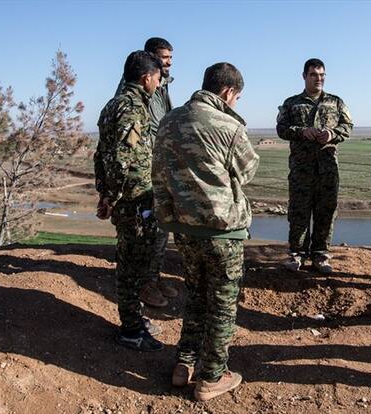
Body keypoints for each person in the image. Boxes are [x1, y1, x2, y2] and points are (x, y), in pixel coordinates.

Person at [152, 62, 259, 401]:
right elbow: (247, 170)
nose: (235, 103)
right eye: (237, 97)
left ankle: (184, 364)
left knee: (196, 295)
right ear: (228, 92)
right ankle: (212, 376)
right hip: (222, 231)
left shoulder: (169, 121)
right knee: (223, 304)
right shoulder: (229, 126)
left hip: (183, 228)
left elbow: (158, 172)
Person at [94, 50, 164, 352]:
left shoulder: (113, 105)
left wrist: (104, 192)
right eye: (157, 79)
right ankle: (132, 330)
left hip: (125, 198)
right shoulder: (133, 108)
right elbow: (122, 158)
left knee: (130, 261)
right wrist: (112, 197)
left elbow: (100, 155)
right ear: (146, 78)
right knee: (133, 266)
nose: (158, 85)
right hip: (134, 200)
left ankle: (135, 320)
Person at [115, 37, 177, 308]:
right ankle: (143, 284)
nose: (169, 63)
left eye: (171, 58)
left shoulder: (162, 87)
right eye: (164, 58)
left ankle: (154, 276)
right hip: (145, 169)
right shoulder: (132, 95)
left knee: (161, 225)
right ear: (150, 59)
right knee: (144, 230)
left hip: (159, 164)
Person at [276, 58, 353, 273]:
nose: (318, 79)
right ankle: (297, 254)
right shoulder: (292, 103)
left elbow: (348, 126)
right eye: (313, 75)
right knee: (299, 212)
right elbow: (281, 128)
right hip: (301, 169)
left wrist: (332, 134)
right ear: (304, 76)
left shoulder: (336, 102)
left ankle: (320, 254)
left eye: (322, 75)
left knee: (326, 212)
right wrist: (302, 132)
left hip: (328, 169)